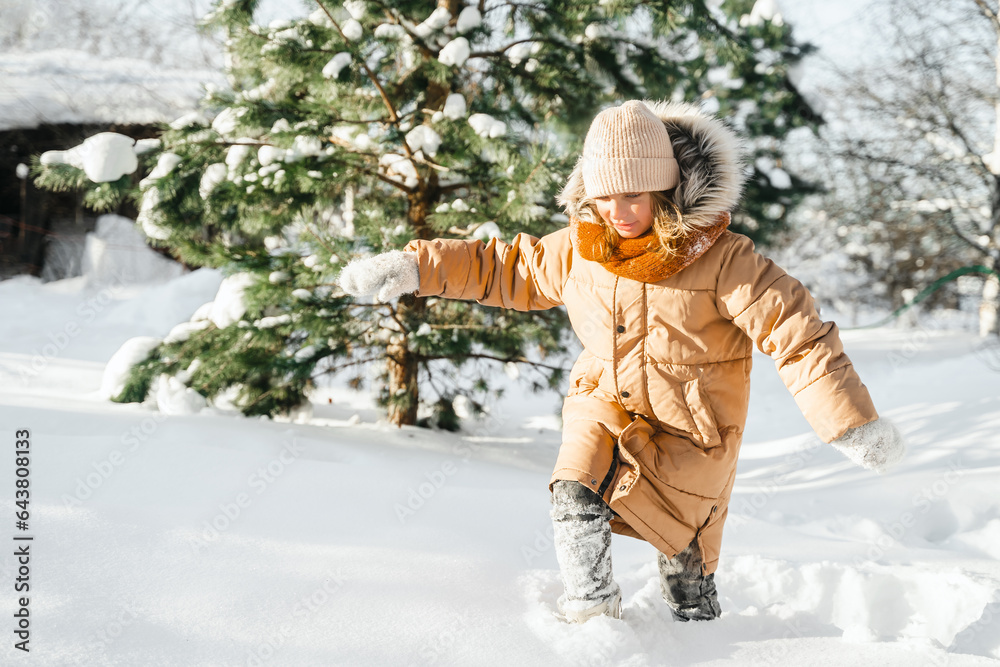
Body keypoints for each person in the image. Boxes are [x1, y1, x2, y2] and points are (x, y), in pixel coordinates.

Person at [337, 100, 905, 624]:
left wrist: (850, 422)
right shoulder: (580, 248)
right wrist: (415, 268)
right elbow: (502, 267)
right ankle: (591, 618)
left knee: (687, 580)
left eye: (634, 195)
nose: (619, 211)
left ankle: (702, 638)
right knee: (573, 488)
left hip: (694, 432)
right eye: (605, 197)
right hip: (605, 405)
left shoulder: (725, 261)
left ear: (666, 186)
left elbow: (798, 334)